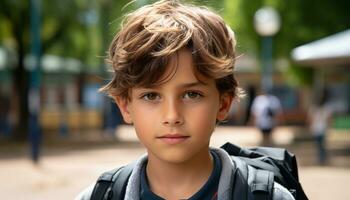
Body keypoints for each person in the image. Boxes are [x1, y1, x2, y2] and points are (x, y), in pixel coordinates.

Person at [76, 1, 295, 199]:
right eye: (151, 95)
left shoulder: (271, 198)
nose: (172, 116)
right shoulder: (95, 197)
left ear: (224, 103)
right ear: (125, 105)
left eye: (192, 95)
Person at [308, 89, 332, 165]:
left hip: (315, 129)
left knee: (319, 145)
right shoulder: (326, 108)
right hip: (323, 128)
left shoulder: (313, 108)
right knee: (322, 144)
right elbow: (329, 119)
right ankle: (322, 158)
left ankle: (321, 159)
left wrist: (310, 127)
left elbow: (309, 119)